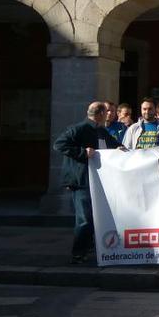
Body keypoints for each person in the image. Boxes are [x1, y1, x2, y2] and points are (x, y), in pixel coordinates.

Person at [52, 101, 123, 264]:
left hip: (97, 180)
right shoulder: (79, 128)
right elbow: (59, 144)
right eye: (106, 112)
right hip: (82, 180)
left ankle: (88, 247)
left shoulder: (100, 130)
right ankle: (78, 253)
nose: (109, 115)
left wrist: (120, 148)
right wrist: (82, 152)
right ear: (99, 114)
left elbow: (114, 144)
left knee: (93, 217)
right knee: (84, 219)